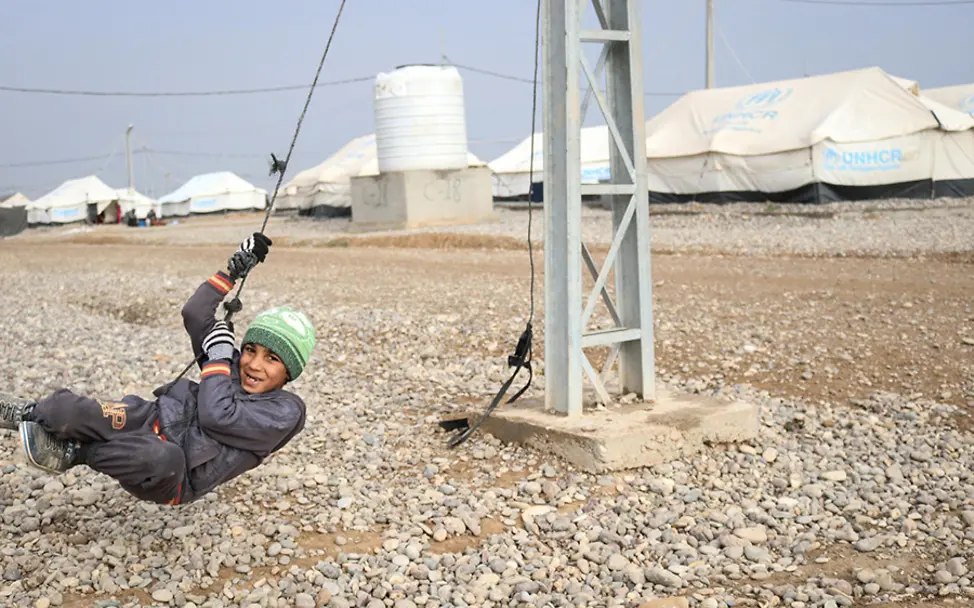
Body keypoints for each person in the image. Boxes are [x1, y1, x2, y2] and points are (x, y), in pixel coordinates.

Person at [0, 233, 316, 506]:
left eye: (272, 359)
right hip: (147, 418)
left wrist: (219, 355)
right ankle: (28, 413)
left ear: (289, 372)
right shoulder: (230, 367)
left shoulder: (285, 411)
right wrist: (231, 272)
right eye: (250, 350)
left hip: (173, 474)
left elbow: (217, 416)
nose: (254, 364)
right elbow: (195, 314)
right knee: (67, 410)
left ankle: (75, 453)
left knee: (158, 456)